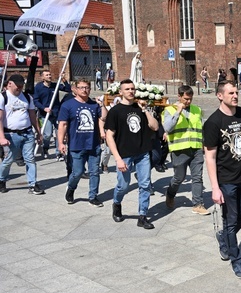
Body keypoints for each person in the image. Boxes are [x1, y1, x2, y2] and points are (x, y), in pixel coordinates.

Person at [204, 80, 241, 279]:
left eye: (236, 92)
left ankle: (224, 238)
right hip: (226, 180)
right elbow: (210, 157)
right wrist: (215, 187)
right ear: (220, 96)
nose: (235, 96)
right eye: (230, 93)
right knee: (230, 221)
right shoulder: (213, 123)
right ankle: (236, 260)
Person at [105, 79, 160, 229]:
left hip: (142, 153)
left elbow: (155, 127)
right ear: (121, 92)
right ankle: (116, 203)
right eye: (127, 89)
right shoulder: (115, 111)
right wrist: (117, 159)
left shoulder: (139, 108)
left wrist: (145, 110)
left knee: (145, 184)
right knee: (123, 186)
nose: (130, 91)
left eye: (132, 89)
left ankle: (142, 216)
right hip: (124, 154)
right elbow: (109, 136)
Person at [57, 79, 104, 207]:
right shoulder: (68, 105)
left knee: (94, 172)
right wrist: (60, 143)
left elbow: (103, 118)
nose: (84, 90)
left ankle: (93, 196)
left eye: (87, 87)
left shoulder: (94, 104)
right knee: (77, 172)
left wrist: (102, 105)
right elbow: (62, 124)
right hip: (76, 144)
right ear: (75, 89)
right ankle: (71, 188)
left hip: (93, 144)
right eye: (81, 87)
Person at [162, 85, 208, 214]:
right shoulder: (170, 110)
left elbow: (202, 127)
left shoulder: (197, 110)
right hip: (179, 150)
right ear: (179, 96)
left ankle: (198, 204)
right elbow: (168, 127)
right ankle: (170, 194)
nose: (188, 101)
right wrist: (178, 112)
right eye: (186, 99)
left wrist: (205, 143)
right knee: (178, 178)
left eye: (190, 99)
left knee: (197, 177)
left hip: (196, 149)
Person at [0, 75, 45, 195]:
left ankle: (33, 184)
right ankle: (1, 180)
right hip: (11, 134)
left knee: (30, 158)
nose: (19, 88)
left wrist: (38, 133)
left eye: (21, 86)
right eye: (17, 86)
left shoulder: (27, 97)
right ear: (9, 84)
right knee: (9, 160)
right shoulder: (3, 97)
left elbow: (32, 116)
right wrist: (1, 137)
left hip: (27, 133)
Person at [33, 70, 71, 161]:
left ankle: (59, 153)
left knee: (59, 133)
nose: (49, 76)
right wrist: (43, 108)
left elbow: (68, 89)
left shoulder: (55, 85)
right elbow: (36, 101)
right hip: (45, 114)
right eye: (47, 75)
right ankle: (45, 148)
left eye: (50, 74)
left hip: (57, 113)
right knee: (47, 134)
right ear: (42, 77)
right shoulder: (38, 87)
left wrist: (63, 80)